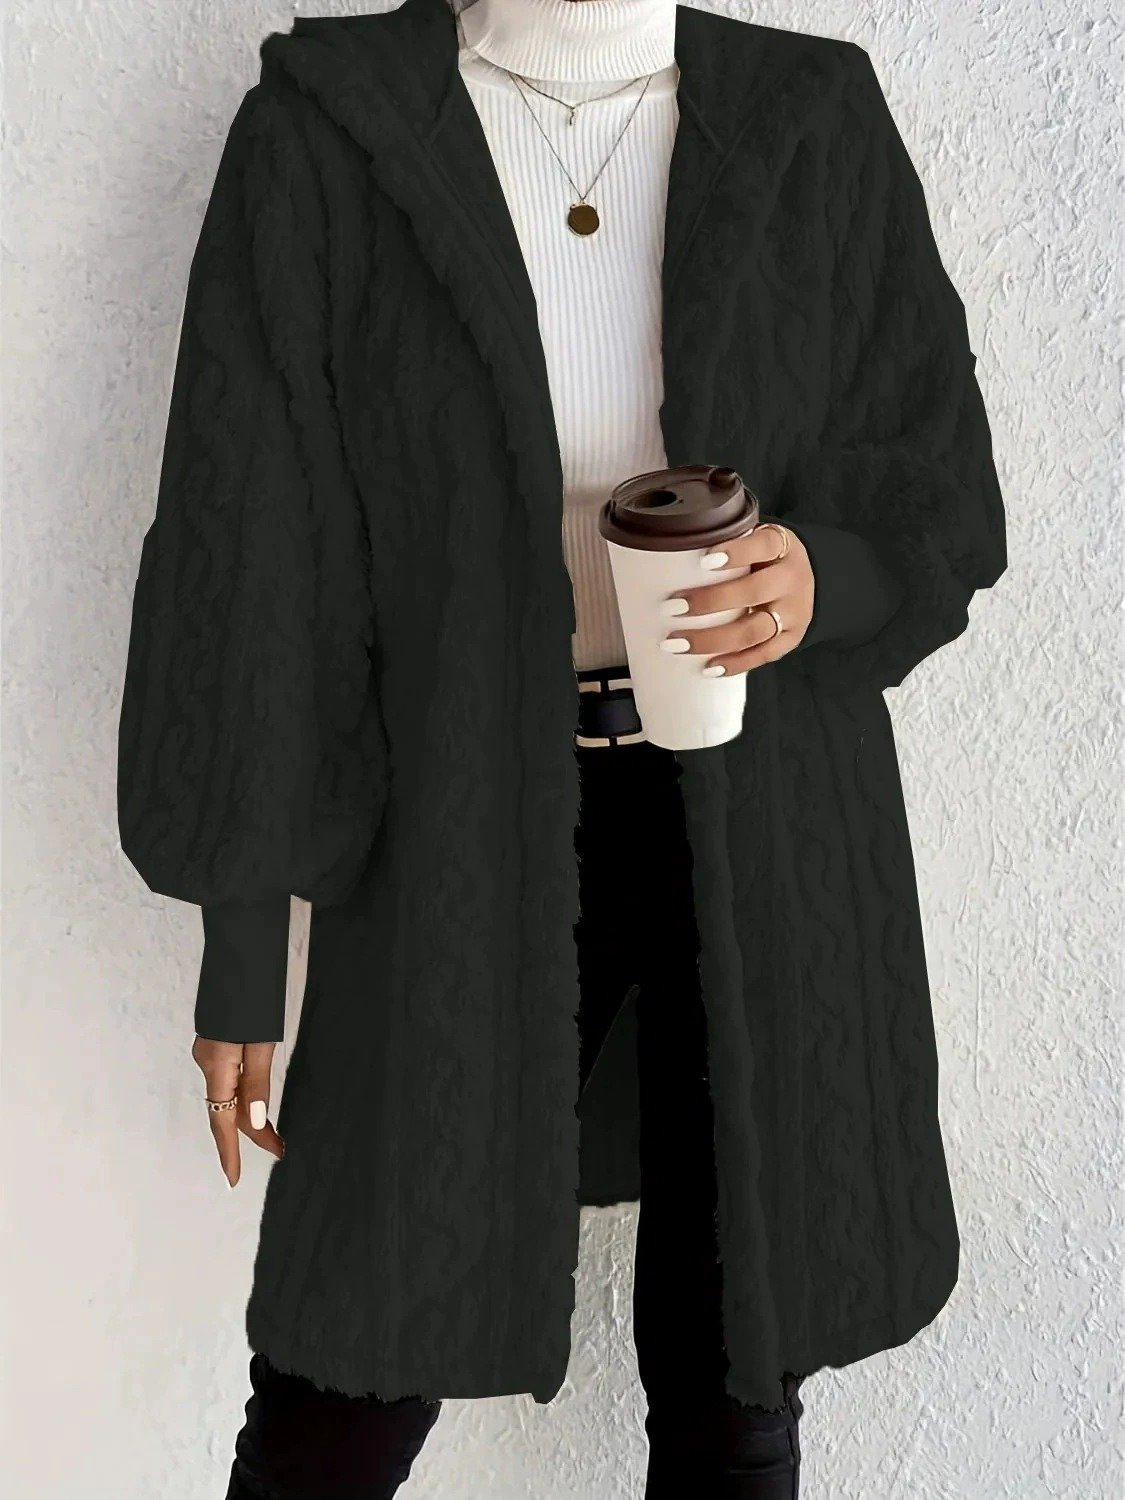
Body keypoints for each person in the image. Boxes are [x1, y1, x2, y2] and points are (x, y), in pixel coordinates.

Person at [116, 0, 1007, 1495]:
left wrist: (822, 578)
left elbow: (935, 472)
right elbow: (250, 548)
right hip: (461, 820)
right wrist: (241, 943)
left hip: (765, 811)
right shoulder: (330, 126)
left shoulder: (811, 113)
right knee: (343, 1378)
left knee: (734, 1377)